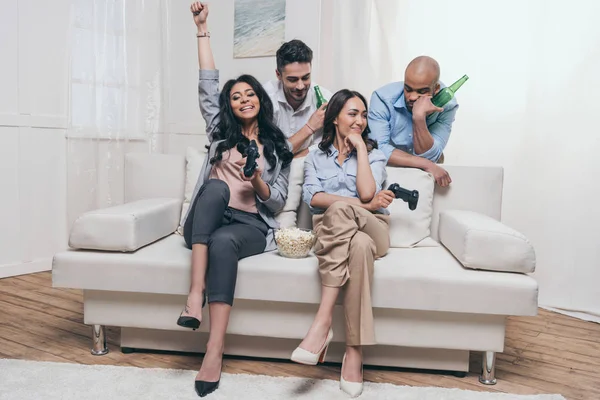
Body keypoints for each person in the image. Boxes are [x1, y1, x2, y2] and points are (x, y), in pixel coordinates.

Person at [178, 3, 292, 397]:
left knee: (225, 243)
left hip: (250, 227)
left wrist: (258, 177)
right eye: (236, 97)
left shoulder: (278, 149)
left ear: (260, 98)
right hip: (207, 216)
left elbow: (275, 204)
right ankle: (195, 295)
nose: (243, 99)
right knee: (215, 188)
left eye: (249, 94)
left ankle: (214, 348)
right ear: (228, 106)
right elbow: (208, 82)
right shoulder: (218, 134)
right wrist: (202, 29)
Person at [291, 89, 394, 398]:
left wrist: (361, 149)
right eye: (353, 114)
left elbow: (366, 192)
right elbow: (313, 197)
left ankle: (322, 323)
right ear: (334, 118)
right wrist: (364, 204)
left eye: (363, 115)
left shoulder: (374, 154)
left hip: (375, 227)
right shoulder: (315, 156)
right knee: (359, 247)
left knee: (344, 214)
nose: (360, 120)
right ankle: (354, 353)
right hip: (336, 231)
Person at [368, 56, 458, 187]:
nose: (412, 97)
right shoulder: (382, 98)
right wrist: (426, 164)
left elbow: (432, 156)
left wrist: (419, 118)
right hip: (388, 168)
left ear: (436, 88)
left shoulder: (447, 105)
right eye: (408, 89)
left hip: (424, 174)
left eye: (422, 91)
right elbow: (378, 149)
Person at [263, 39, 333, 157]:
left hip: (309, 164)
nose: (300, 86)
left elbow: (328, 146)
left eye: (306, 78)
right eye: (293, 80)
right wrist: (309, 127)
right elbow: (269, 154)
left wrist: (294, 158)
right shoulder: (265, 98)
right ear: (278, 75)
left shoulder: (326, 98)